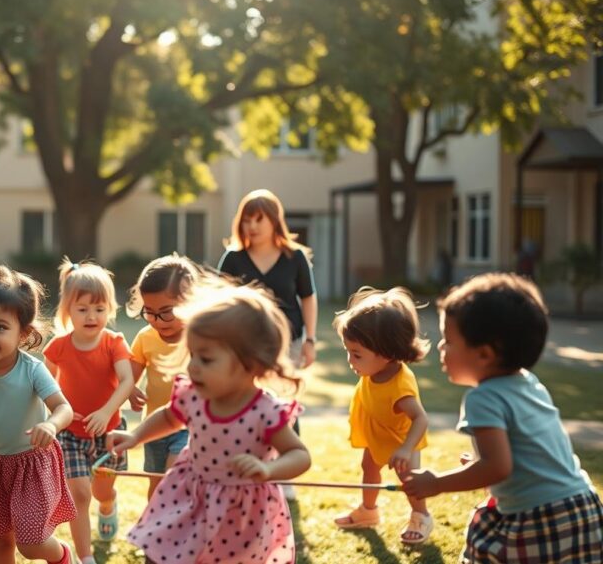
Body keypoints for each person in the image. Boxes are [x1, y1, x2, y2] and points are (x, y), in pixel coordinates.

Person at [403, 273, 603, 563]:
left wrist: (436, 483)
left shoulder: (482, 398)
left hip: (539, 516)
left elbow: (497, 467)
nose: (441, 348)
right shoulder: (530, 383)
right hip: (583, 506)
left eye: (449, 340)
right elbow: (530, 452)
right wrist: (479, 464)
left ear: (484, 354)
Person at [110, 282, 311, 564]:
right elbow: (169, 417)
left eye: (205, 359)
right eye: (192, 355)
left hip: (240, 513)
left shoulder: (264, 412)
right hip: (190, 494)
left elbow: (299, 455)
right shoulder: (194, 395)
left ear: (250, 363)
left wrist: (268, 469)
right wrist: (135, 436)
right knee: (162, 553)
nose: (192, 367)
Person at [0, 265, 77, 564]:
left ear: (23, 333)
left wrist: (51, 425)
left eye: (0, 327)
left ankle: (63, 555)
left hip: (32, 464)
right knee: (0, 541)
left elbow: (64, 408)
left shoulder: (32, 370)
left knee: (31, 543)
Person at [217, 189, 317, 500]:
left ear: (274, 221)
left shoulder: (295, 257)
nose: (252, 226)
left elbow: (308, 298)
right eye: (247, 220)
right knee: (248, 405)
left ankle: (285, 478)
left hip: (288, 343)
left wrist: (310, 340)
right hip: (245, 345)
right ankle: (249, 468)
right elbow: (220, 301)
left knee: (284, 407)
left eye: (259, 219)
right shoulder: (233, 258)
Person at [43, 258, 134, 564]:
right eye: (82, 309)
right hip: (70, 433)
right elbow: (44, 384)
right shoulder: (58, 346)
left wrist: (106, 412)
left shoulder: (114, 343)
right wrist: (58, 411)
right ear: (67, 310)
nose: (91, 316)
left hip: (108, 432)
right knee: (79, 494)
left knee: (101, 492)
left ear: (110, 309)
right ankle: (85, 557)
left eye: (99, 308)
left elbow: (127, 380)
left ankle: (108, 506)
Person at [331, 287, 433, 544]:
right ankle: (368, 511)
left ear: (387, 353)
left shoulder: (400, 387)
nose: (350, 360)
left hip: (402, 442)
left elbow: (421, 418)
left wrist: (406, 450)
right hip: (378, 433)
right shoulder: (374, 371)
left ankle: (421, 516)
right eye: (348, 351)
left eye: (356, 354)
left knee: (409, 481)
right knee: (368, 467)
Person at [124, 254, 199, 498]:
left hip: (190, 424)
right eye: (150, 312)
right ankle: (154, 519)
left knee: (174, 478)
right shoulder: (146, 337)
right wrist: (130, 390)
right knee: (156, 486)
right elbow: (128, 378)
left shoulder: (200, 337)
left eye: (166, 312)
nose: (158, 321)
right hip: (155, 426)